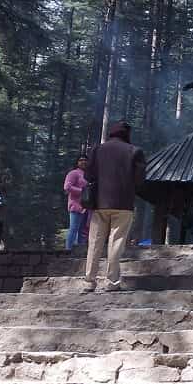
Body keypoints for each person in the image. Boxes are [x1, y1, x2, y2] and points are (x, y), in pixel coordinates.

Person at [83, 120, 146, 292]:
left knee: (95, 242)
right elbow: (140, 180)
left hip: (100, 203)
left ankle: (89, 281)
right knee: (116, 242)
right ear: (127, 134)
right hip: (124, 204)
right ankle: (112, 281)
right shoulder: (135, 151)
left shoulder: (98, 150)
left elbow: (88, 175)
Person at [63, 156, 89, 250]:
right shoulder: (73, 173)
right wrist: (82, 191)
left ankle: (80, 251)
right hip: (75, 205)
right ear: (77, 162)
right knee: (74, 228)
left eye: (85, 160)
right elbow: (67, 187)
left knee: (83, 230)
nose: (83, 162)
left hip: (86, 206)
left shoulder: (88, 174)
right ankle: (68, 250)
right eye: (81, 160)